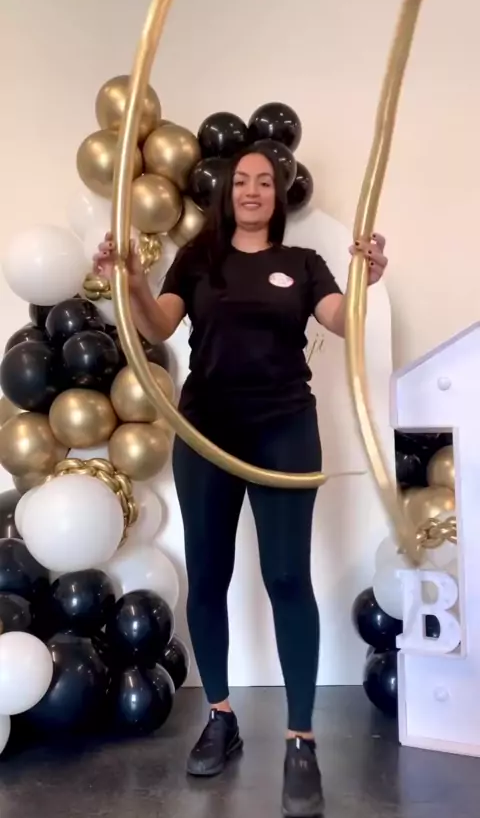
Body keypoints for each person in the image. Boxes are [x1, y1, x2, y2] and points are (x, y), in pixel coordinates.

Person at [95, 146, 387, 818]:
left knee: (287, 578)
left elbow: (342, 320)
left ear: (277, 197)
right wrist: (131, 282)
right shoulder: (199, 259)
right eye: (242, 182)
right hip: (206, 433)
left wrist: (364, 279)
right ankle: (221, 717)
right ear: (226, 194)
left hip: (284, 429)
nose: (253, 191)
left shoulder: (304, 264)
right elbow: (158, 324)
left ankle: (301, 740)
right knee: (210, 575)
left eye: (265, 183)